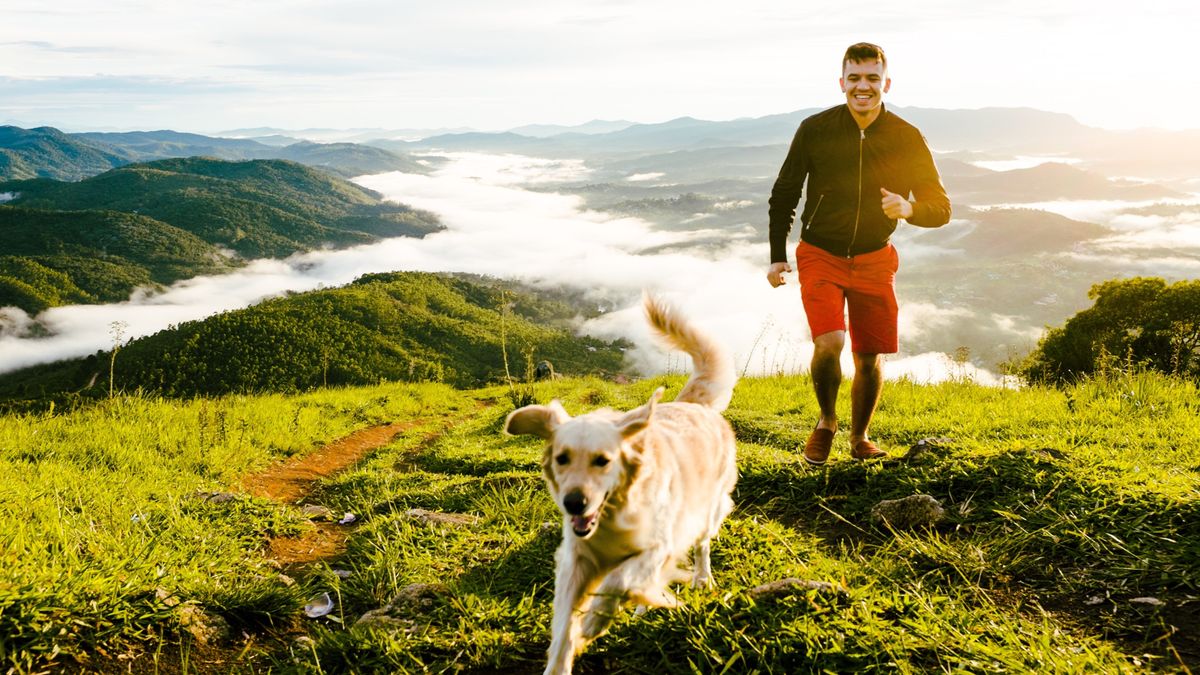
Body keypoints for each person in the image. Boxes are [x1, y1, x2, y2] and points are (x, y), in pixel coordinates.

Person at [766, 42, 951, 465]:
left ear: (885, 83)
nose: (862, 87)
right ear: (842, 83)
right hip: (820, 253)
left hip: (874, 257)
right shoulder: (815, 129)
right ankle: (827, 422)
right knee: (829, 341)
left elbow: (940, 206)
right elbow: (785, 192)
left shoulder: (906, 136)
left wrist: (910, 209)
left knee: (868, 357)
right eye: (854, 78)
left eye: (871, 78)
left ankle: (860, 437)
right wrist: (778, 254)